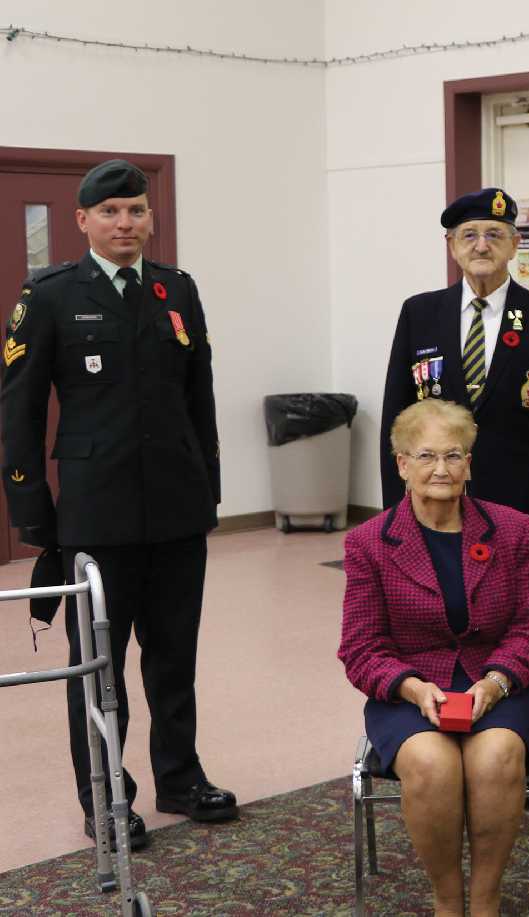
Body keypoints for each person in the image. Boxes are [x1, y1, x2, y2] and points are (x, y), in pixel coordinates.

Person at [0, 159, 233, 850]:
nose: (124, 223)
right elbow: (18, 410)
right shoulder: (47, 295)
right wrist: (31, 511)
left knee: (173, 656)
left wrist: (208, 486)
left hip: (175, 508)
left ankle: (181, 777)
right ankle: (106, 798)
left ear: (148, 218)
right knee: (98, 664)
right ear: (83, 221)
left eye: (135, 211)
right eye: (110, 212)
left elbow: (200, 400)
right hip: (95, 514)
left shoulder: (176, 290)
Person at [339, 399, 529, 917]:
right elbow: (361, 648)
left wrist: (497, 682)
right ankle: (447, 900)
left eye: (454, 455)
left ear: (470, 463)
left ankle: (486, 900)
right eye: (426, 456)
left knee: (497, 758)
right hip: (408, 692)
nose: (441, 469)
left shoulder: (514, 530)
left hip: (497, 684)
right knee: (432, 766)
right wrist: (413, 687)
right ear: (402, 465)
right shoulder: (368, 543)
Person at [379, 187, 529, 560]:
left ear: (513, 245)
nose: (481, 246)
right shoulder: (420, 315)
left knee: (517, 614)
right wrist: (394, 510)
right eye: (469, 235)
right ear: (452, 245)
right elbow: (395, 421)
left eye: (494, 235)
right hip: (432, 503)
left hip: (520, 509)